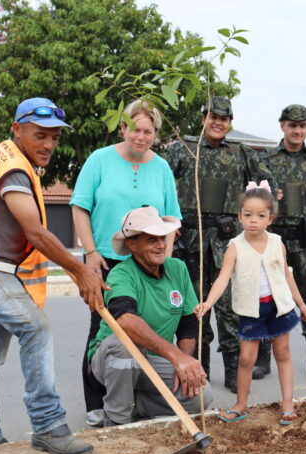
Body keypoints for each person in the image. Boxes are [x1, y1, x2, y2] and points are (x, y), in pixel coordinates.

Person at [0, 97, 108, 454]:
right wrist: (81, 269)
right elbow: (35, 232)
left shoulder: (5, 155)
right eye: (41, 135)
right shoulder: (14, 171)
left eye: (54, 137)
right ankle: (48, 425)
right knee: (36, 327)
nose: (49, 145)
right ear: (17, 129)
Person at [70, 99, 181, 427]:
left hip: (150, 263)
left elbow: (171, 216)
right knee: (103, 330)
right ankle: (96, 401)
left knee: (150, 327)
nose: (141, 136)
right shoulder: (99, 160)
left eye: (148, 131)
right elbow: (79, 207)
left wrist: (167, 259)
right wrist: (90, 253)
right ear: (123, 128)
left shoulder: (161, 167)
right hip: (107, 259)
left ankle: (143, 396)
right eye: (135, 129)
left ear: (155, 134)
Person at [166, 96, 273, 393]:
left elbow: (267, 181)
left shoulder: (241, 153)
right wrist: (168, 222)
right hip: (191, 241)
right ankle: (199, 371)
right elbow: (160, 182)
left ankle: (231, 370)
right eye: (213, 116)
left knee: (229, 309)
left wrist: (255, 218)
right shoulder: (183, 149)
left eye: (224, 118)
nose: (218, 122)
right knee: (197, 309)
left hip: (228, 243)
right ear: (203, 118)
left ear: (230, 123)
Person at [194, 182, 306, 424]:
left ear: (271, 218)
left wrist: (301, 304)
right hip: (251, 311)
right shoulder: (234, 247)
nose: (253, 221)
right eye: (248, 215)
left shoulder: (278, 243)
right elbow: (222, 278)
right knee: (246, 358)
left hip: (279, 308)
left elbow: (287, 276)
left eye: (260, 215)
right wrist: (207, 302)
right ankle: (240, 404)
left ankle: (288, 405)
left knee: (283, 354)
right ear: (239, 217)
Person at [88, 206, 212, 426]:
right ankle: (117, 422)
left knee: (200, 396)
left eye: (162, 238)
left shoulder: (178, 268)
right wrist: (175, 356)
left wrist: (183, 363)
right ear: (132, 244)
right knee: (125, 347)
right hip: (111, 357)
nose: (162, 245)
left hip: (155, 358)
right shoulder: (121, 273)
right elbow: (125, 320)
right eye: (152, 240)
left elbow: (188, 324)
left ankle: (134, 405)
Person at [255, 104, 306, 381]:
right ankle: (262, 358)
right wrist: (264, 196)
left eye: (302, 125)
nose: (297, 130)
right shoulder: (265, 159)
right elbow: (248, 197)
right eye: (292, 125)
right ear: (282, 126)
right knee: (266, 295)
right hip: (273, 239)